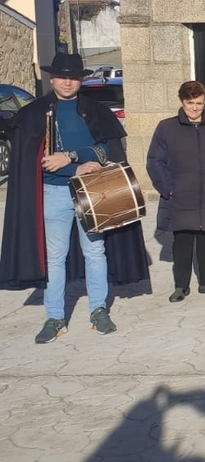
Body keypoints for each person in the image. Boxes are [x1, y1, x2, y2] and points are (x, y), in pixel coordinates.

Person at [0, 52, 150, 343]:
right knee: (55, 257)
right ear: (52, 79)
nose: (67, 82)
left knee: (95, 252)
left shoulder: (96, 111)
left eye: (73, 77)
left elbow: (107, 151)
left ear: (80, 80)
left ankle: (98, 310)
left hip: (92, 191)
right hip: (53, 193)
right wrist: (73, 165)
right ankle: (55, 317)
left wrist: (71, 157)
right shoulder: (35, 113)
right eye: (62, 77)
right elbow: (39, 161)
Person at [146, 80, 205, 302]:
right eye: (190, 103)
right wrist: (168, 189)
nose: (195, 108)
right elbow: (155, 161)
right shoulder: (166, 128)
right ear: (182, 102)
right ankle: (181, 286)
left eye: (199, 103)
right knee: (182, 241)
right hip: (180, 196)